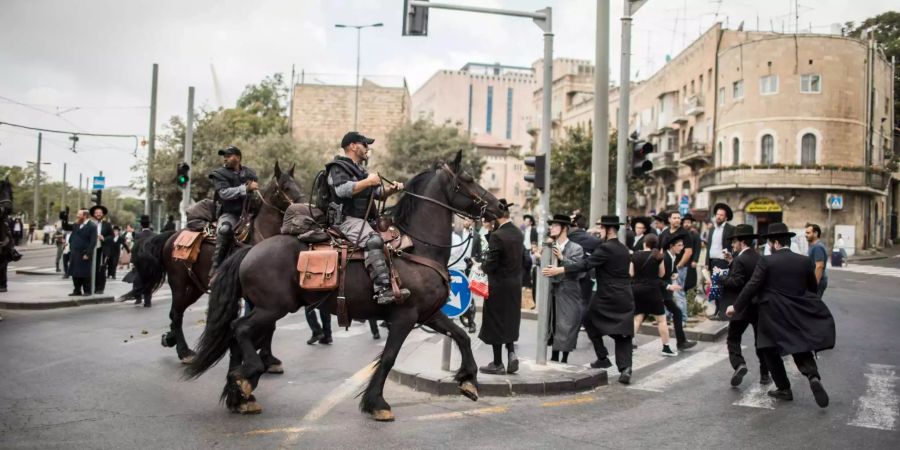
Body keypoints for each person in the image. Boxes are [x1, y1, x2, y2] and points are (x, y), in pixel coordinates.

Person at [727, 223, 835, 408]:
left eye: (770, 242)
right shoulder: (803, 260)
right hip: (796, 311)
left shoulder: (767, 261)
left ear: (775, 243)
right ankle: (813, 376)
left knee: (768, 348)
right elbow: (812, 287)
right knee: (800, 345)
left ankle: (784, 388)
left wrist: (736, 307)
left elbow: (752, 286)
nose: (769, 245)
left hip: (772, 313)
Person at [544, 215, 635, 384]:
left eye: (601, 229)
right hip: (625, 296)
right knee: (623, 334)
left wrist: (560, 269)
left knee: (587, 319)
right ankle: (625, 368)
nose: (599, 232)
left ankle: (602, 356)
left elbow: (585, 265)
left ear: (608, 230)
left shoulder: (605, 248)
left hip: (608, 296)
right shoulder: (623, 249)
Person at [326, 131, 407, 304]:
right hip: (345, 219)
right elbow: (342, 190)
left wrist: (392, 189)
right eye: (364, 144)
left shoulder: (360, 171)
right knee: (373, 240)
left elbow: (378, 194)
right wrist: (369, 181)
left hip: (363, 220)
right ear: (353, 146)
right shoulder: (337, 167)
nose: (367, 148)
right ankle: (382, 290)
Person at [719, 224, 770, 387]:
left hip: (740, 305)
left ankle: (739, 364)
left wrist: (720, 278)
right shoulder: (759, 257)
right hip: (758, 307)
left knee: (733, 338)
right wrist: (731, 262)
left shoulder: (740, 259)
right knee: (760, 341)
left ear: (741, 242)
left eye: (734, 241)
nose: (732, 245)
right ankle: (764, 374)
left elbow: (737, 282)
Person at [478, 199, 524, 375]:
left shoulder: (498, 236)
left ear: (496, 218)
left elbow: (491, 265)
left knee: (495, 321)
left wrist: (481, 265)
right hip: (514, 285)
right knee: (510, 319)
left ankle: (497, 363)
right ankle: (511, 353)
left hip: (498, 286)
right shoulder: (518, 233)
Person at [208, 145, 259, 280]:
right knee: (224, 230)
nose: (225, 158)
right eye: (224, 156)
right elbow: (224, 193)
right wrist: (245, 189)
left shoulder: (250, 173)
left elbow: (255, 190)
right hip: (230, 214)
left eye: (228, 156)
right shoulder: (219, 174)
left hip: (250, 214)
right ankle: (216, 268)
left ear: (238, 158)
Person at [542, 214, 585, 364]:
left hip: (569, 291)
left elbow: (579, 269)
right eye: (551, 225)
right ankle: (553, 356)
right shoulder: (548, 246)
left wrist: (562, 257)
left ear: (565, 228)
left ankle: (564, 358)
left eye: (555, 226)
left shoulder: (576, 248)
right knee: (553, 323)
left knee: (567, 324)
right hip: (551, 291)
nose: (551, 228)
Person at [632, 234, 678, 356]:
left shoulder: (635, 255)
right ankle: (666, 348)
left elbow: (630, 273)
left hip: (637, 289)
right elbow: (662, 274)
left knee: (638, 317)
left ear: (644, 243)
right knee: (661, 320)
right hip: (652, 290)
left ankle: (630, 344)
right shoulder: (658, 256)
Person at [661, 235, 698, 352]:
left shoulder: (672, 257)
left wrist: (673, 274)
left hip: (664, 293)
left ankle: (681, 342)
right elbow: (656, 278)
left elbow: (669, 272)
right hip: (657, 293)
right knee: (641, 315)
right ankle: (628, 338)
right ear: (672, 246)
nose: (682, 248)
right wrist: (669, 285)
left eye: (682, 245)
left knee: (677, 313)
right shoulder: (665, 257)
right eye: (679, 245)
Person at [659, 211, 693, 320]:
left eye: (679, 218)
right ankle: (666, 317)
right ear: (669, 220)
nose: (677, 220)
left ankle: (682, 318)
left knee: (678, 293)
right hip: (665, 267)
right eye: (674, 218)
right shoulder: (664, 233)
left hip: (680, 268)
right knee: (665, 292)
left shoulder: (684, 233)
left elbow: (688, 251)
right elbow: (660, 250)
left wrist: (678, 266)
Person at [706, 203, 735, 319]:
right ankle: (717, 311)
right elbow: (709, 247)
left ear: (726, 217)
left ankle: (724, 312)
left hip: (723, 262)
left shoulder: (730, 229)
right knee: (714, 288)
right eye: (717, 214)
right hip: (713, 262)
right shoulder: (712, 229)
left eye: (721, 215)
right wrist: (707, 263)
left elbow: (733, 245)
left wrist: (732, 259)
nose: (718, 217)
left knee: (723, 287)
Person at [67, 209, 97, 296]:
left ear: (85, 216)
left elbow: (93, 242)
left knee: (84, 273)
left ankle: (87, 291)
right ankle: (77, 290)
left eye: (79, 214)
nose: (77, 216)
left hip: (84, 254)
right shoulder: (77, 224)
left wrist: (88, 254)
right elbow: (67, 228)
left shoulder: (92, 226)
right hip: (74, 252)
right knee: (75, 272)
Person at [129, 215, 156, 307]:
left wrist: (132, 261)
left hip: (140, 262)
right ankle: (148, 301)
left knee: (138, 280)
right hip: (151, 262)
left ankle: (138, 298)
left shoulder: (138, 235)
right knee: (149, 281)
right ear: (149, 224)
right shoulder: (154, 235)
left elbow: (135, 249)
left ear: (141, 225)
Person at [89, 205, 113, 295]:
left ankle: (100, 288)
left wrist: (104, 238)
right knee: (92, 269)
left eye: (100, 213)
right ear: (93, 214)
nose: (98, 214)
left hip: (102, 250)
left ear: (103, 214)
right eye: (96, 213)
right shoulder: (90, 224)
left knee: (101, 269)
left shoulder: (107, 225)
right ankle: (92, 287)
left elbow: (112, 236)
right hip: (92, 249)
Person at [805, 223, 828, 298]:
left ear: (815, 233)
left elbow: (819, 266)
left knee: (813, 305)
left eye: (808, 233)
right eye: (806, 232)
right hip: (814, 281)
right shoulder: (813, 246)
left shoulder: (817, 247)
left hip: (818, 282)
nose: (806, 235)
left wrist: (814, 285)